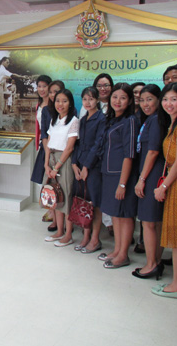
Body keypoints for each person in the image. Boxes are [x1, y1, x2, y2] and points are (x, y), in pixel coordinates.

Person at [151, 82, 177, 298]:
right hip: (174, 180)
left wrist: (163, 186)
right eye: (166, 99)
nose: (168, 103)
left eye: (174, 99)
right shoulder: (172, 124)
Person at [97, 83, 139, 269]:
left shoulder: (130, 121)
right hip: (108, 173)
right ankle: (117, 250)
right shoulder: (113, 120)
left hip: (122, 176)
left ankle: (123, 255)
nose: (117, 101)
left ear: (129, 100)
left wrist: (122, 184)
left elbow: (129, 154)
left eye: (122, 97)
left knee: (124, 214)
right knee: (115, 213)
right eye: (115, 97)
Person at [132, 84, 165, 279]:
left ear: (159, 100)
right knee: (153, 222)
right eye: (142, 100)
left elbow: (153, 151)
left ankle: (151, 264)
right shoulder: (150, 120)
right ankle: (156, 261)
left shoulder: (156, 121)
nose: (145, 104)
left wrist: (142, 179)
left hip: (151, 175)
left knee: (149, 222)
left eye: (150, 99)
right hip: (149, 173)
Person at [71, 86, 105, 253]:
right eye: (85, 99)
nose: (88, 102)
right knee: (83, 202)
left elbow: (98, 145)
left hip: (94, 167)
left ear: (97, 99)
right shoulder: (83, 119)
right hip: (81, 165)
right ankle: (85, 237)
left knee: (95, 204)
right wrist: (75, 164)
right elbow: (78, 144)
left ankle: (95, 239)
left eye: (91, 99)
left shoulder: (102, 119)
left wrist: (86, 166)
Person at [43, 89, 79, 247]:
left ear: (70, 103)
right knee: (54, 197)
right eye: (58, 101)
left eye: (64, 101)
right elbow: (48, 143)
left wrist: (56, 167)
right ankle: (59, 231)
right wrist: (46, 164)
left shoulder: (74, 121)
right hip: (51, 160)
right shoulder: (54, 120)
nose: (60, 104)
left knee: (66, 196)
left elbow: (70, 147)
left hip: (63, 162)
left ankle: (69, 234)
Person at [40, 80, 65, 231]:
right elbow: (44, 135)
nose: (53, 95)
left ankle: (65, 225)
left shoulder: (71, 112)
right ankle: (54, 220)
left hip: (63, 156)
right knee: (51, 189)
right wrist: (47, 160)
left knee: (63, 190)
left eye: (56, 91)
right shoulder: (46, 111)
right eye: (51, 92)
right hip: (49, 153)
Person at [30, 75, 52, 222]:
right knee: (41, 178)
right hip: (41, 145)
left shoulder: (54, 105)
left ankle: (53, 210)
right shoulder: (39, 104)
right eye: (39, 86)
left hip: (52, 147)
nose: (42, 89)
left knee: (51, 178)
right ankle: (49, 207)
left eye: (44, 86)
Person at [0, 57, 27, 131]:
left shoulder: (2, 70)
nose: (8, 64)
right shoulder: (2, 70)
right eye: (7, 62)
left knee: (0, 106)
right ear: (3, 62)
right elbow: (12, 75)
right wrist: (22, 77)